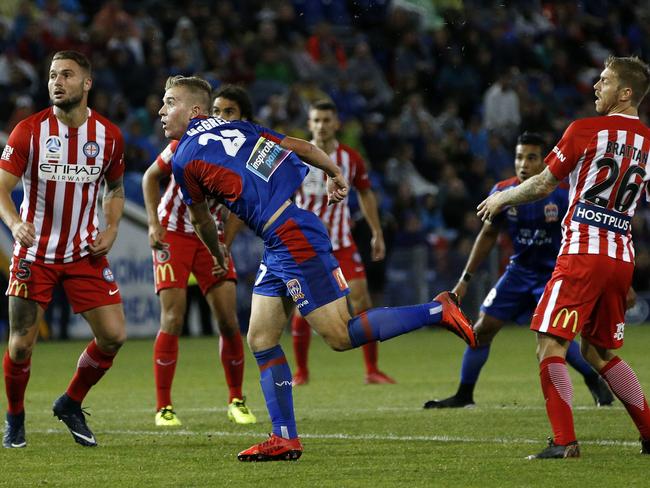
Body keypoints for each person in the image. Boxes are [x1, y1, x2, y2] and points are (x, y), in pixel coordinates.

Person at [160, 75, 476, 462]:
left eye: (169, 102)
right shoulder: (238, 127)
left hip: (292, 239)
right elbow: (303, 147)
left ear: (194, 111)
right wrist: (334, 173)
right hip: (281, 239)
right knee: (260, 337)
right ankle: (284, 437)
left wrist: (217, 253)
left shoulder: (184, 157)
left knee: (341, 335)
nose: (161, 110)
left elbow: (203, 221)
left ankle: (437, 309)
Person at [478, 55, 650, 459]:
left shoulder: (585, 130)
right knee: (599, 351)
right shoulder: (648, 142)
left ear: (625, 93)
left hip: (582, 253)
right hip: (620, 256)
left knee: (550, 344)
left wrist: (500, 198)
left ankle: (564, 441)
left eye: (605, 81)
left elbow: (541, 184)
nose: (596, 86)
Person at [424, 132, 613, 409]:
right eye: (519, 157)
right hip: (518, 272)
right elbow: (487, 235)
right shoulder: (503, 192)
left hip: (554, 274)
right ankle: (464, 394)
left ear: (545, 161)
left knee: (554, 336)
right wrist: (465, 279)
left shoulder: (562, 194)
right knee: (482, 329)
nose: (523, 163)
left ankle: (593, 379)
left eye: (531, 157)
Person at [0, 50, 126, 448]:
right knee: (21, 343)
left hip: (84, 253)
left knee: (114, 336)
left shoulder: (108, 136)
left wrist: (112, 228)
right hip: (35, 255)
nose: (57, 81)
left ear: (86, 84)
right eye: (53, 74)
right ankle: (15, 416)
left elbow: (116, 188)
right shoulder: (29, 131)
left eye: (67, 75)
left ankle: (70, 402)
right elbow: (1, 188)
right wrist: (15, 223)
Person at [142, 83, 256, 427]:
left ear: (243, 119)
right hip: (174, 234)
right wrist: (152, 224)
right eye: (216, 110)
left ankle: (236, 399)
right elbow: (150, 177)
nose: (220, 117)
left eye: (229, 112)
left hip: (212, 238)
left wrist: (226, 242)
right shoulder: (184, 142)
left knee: (228, 320)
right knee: (173, 319)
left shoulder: (241, 153)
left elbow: (240, 205)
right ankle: (164, 406)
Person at [291, 100, 394, 385]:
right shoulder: (296, 157)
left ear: (336, 124)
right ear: (310, 124)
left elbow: (366, 193)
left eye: (327, 120)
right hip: (307, 247)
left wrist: (376, 232)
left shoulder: (350, 158)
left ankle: (372, 370)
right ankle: (302, 372)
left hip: (342, 244)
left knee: (362, 300)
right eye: (317, 120)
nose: (322, 125)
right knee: (305, 308)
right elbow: (285, 197)